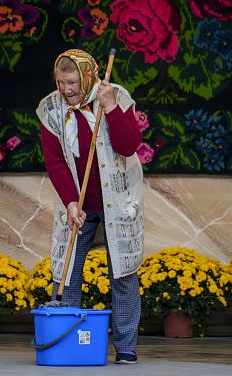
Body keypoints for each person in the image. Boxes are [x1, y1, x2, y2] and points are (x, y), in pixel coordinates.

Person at [36, 48, 144, 365]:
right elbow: (55, 163)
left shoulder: (117, 97)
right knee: (67, 272)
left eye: (72, 82)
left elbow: (129, 145)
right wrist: (71, 202)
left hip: (118, 203)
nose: (66, 90)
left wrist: (110, 107)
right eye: (60, 82)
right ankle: (66, 341)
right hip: (78, 205)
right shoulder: (50, 109)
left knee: (124, 274)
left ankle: (126, 348)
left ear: (87, 77)